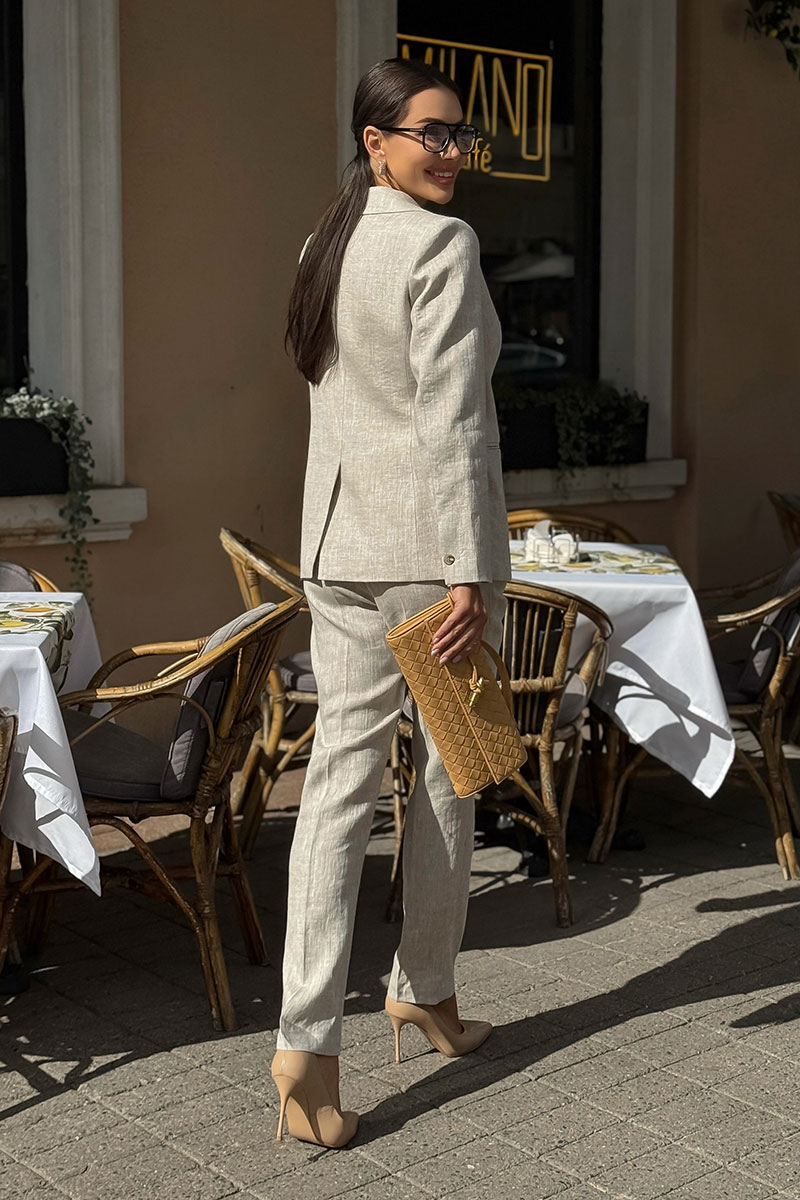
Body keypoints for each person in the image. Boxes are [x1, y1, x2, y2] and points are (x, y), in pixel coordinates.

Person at [271, 57, 512, 1149]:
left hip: (335, 545)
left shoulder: (323, 243)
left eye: (461, 135)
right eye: (432, 133)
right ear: (375, 142)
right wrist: (467, 566)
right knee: (453, 768)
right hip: (426, 553)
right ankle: (422, 987)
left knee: (336, 785)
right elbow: (452, 418)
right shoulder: (441, 245)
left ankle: (310, 1042)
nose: (452, 152)